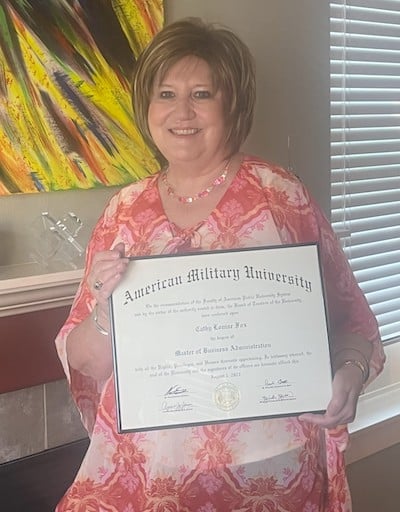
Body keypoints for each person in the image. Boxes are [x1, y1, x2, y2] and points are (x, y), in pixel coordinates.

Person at [55, 18, 385, 511]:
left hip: (267, 468)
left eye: (202, 94)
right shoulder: (123, 211)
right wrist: (106, 308)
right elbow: (87, 359)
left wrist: (350, 375)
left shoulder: (278, 196)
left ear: (232, 105)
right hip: (149, 472)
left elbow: (351, 321)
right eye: (165, 94)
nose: (181, 112)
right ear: (147, 106)